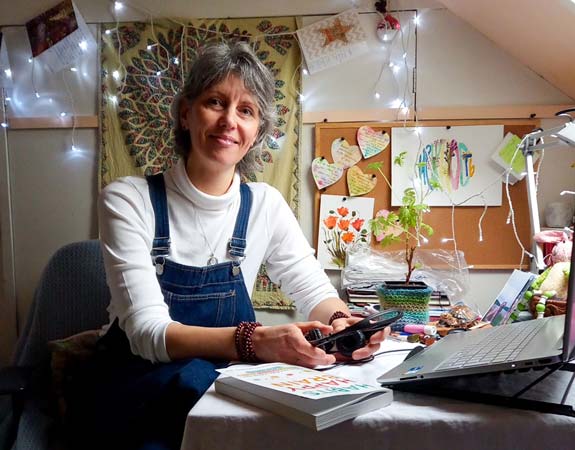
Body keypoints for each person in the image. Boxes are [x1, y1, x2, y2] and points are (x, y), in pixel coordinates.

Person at [67, 41, 388, 450]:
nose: (229, 121)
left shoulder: (266, 205)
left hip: (222, 386)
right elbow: (148, 334)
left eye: (246, 110)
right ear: (186, 113)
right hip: (135, 392)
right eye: (215, 102)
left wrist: (344, 324)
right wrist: (254, 341)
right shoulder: (129, 199)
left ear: (257, 133)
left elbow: (312, 289)